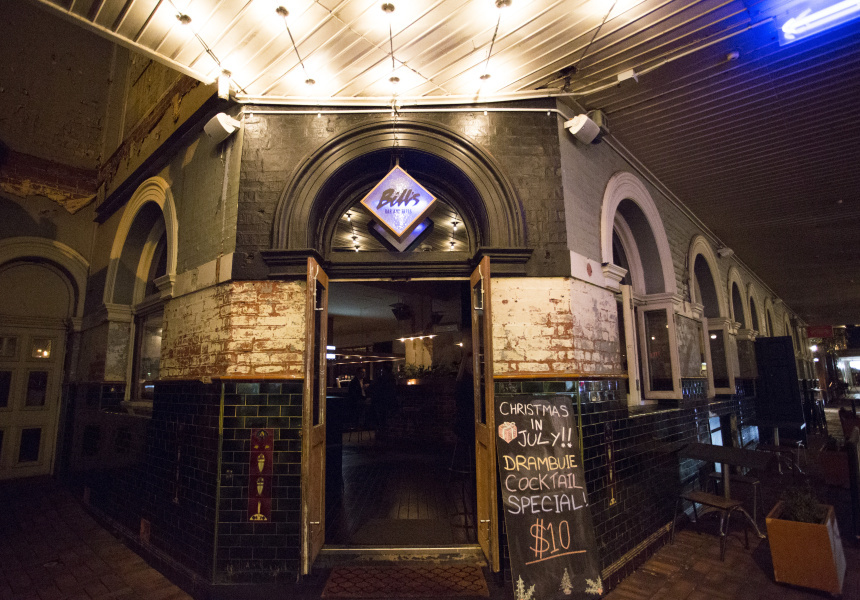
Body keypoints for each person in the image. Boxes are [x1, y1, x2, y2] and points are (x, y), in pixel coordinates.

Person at [369, 362, 397, 440]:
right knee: (386, 418)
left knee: (381, 418)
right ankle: (385, 433)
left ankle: (381, 434)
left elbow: (373, 387)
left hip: (380, 401)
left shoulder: (381, 378)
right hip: (389, 401)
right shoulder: (392, 379)